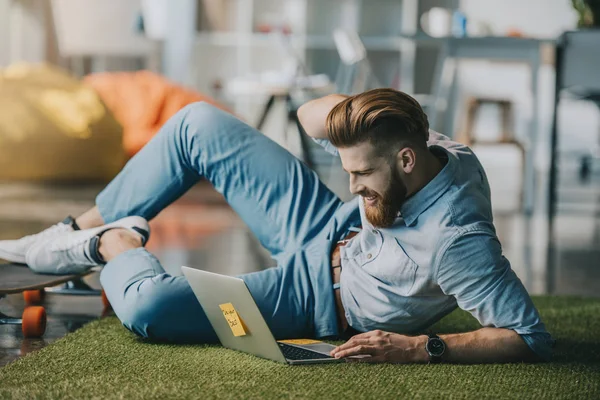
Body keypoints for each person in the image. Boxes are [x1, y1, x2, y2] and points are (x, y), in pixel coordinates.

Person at [0, 88, 553, 363]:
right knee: (197, 122)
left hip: (319, 297)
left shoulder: (460, 242)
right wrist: (352, 111)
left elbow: (528, 336)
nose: (353, 184)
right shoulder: (425, 144)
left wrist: (414, 348)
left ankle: (113, 240)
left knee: (147, 310)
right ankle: (69, 229)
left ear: (407, 162)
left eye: (362, 174)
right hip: (326, 228)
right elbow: (311, 118)